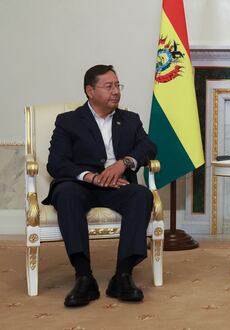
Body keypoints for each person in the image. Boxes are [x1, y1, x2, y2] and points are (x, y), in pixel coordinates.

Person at [42, 65, 157, 307]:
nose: (116, 91)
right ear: (90, 91)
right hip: (81, 186)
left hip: (119, 185)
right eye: (109, 86)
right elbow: (57, 163)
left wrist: (123, 163)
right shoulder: (68, 121)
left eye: (118, 86)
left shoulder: (130, 119)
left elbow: (148, 147)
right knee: (65, 194)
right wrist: (91, 177)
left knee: (141, 195)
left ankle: (123, 276)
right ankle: (84, 277)